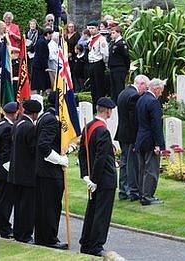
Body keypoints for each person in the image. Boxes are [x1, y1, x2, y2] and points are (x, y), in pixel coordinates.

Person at [78, 97, 117, 257]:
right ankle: (95, 245)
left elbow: (82, 153)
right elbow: (101, 157)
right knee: (102, 213)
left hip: (95, 178)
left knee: (92, 211)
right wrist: (93, 179)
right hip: (104, 179)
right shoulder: (103, 130)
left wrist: (86, 175)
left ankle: (86, 242)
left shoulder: (88, 126)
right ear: (107, 111)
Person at [35, 91, 69, 249]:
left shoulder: (45, 116)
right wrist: (60, 160)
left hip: (44, 171)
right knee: (51, 206)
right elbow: (43, 145)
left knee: (45, 205)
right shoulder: (51, 120)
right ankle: (49, 239)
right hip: (50, 171)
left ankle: (43, 237)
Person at [8, 99, 42, 243]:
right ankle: (25, 235)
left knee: (19, 205)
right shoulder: (30, 128)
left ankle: (18, 232)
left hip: (15, 172)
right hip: (27, 173)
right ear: (34, 114)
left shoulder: (17, 124)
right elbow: (33, 149)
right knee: (27, 207)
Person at [115, 75, 149, 201]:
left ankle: (123, 190)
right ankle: (129, 190)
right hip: (130, 135)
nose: (145, 90)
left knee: (124, 163)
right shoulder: (134, 96)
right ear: (140, 84)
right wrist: (138, 137)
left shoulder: (123, 93)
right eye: (145, 87)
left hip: (122, 133)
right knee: (131, 164)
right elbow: (134, 120)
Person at [134, 79, 166, 206]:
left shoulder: (141, 99)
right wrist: (158, 144)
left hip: (141, 138)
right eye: (161, 91)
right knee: (151, 169)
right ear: (156, 89)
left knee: (142, 168)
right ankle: (147, 196)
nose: (161, 94)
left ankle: (143, 193)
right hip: (150, 140)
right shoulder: (153, 102)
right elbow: (156, 125)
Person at [0, 102, 18, 239]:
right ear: (14, 113)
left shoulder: (0, 124)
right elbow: (5, 152)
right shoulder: (8, 128)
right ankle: (4, 227)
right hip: (5, 168)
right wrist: (11, 170)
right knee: (5, 200)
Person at [87, 21, 109, 111]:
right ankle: (94, 105)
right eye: (90, 28)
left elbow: (105, 54)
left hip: (98, 63)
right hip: (91, 63)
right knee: (93, 86)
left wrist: (105, 63)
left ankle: (101, 105)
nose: (91, 30)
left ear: (97, 28)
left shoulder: (101, 39)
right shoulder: (91, 39)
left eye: (93, 28)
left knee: (99, 86)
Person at [108, 26, 130, 105]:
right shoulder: (113, 43)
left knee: (119, 87)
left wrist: (126, 68)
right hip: (113, 68)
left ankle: (120, 104)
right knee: (113, 88)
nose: (112, 35)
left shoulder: (122, 43)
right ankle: (114, 103)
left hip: (119, 68)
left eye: (113, 33)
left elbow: (126, 57)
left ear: (119, 33)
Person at [31, 28, 53, 94]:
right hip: (40, 66)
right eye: (51, 35)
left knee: (39, 82)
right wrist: (46, 66)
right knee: (41, 82)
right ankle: (41, 93)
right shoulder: (42, 42)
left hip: (38, 64)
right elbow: (42, 56)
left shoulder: (40, 40)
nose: (51, 37)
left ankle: (40, 92)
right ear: (48, 34)